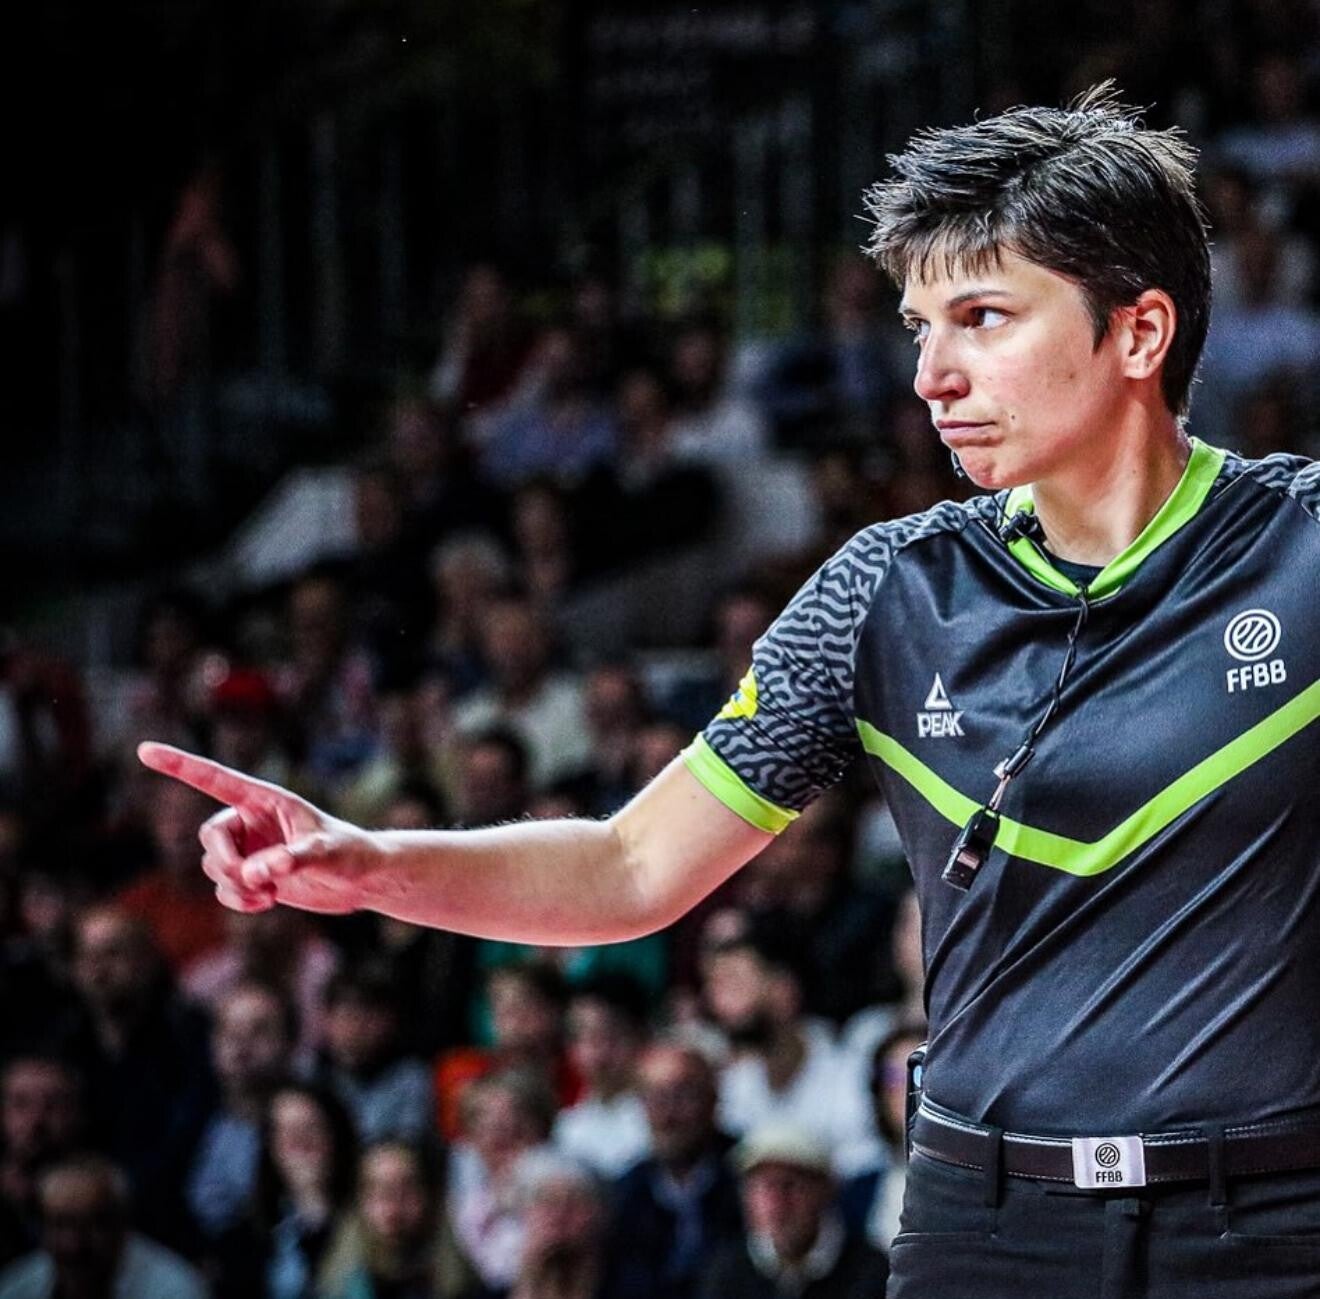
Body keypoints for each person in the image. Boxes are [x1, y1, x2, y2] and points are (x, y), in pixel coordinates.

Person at [138, 84, 1320, 1298]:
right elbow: (629, 868)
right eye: (920, 327)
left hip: (1273, 1223)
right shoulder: (884, 592)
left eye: (982, 318)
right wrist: (374, 863)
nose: (932, 375)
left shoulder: (1304, 547)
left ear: (1139, 332)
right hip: (989, 1229)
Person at [699, 1123, 889, 1299]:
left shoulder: (871, 1273)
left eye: (789, 1186)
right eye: (763, 1188)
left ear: (825, 1191)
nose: (776, 1203)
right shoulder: (725, 1271)